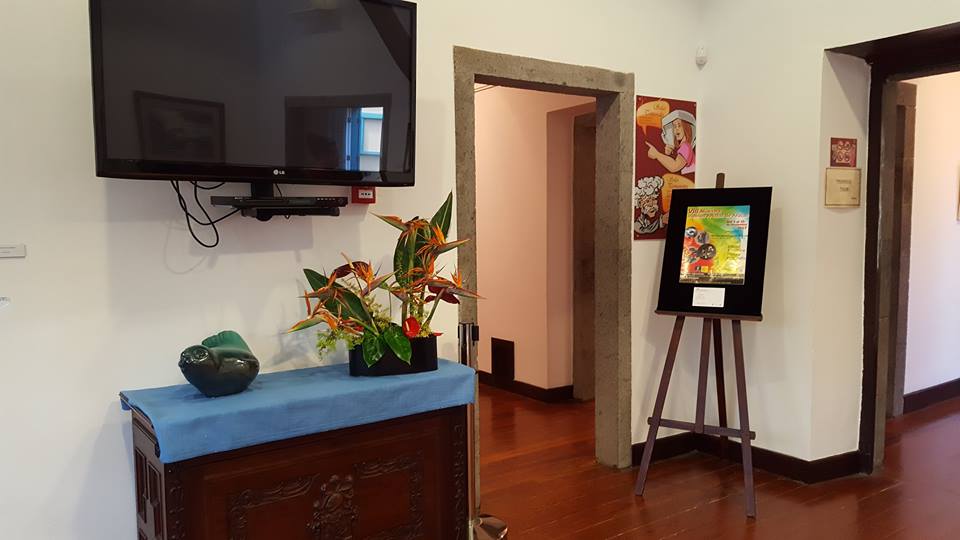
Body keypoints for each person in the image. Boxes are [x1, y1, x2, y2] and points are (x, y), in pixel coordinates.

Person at [645, 109, 696, 175]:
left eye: (679, 125)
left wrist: (657, 154)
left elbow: (674, 166)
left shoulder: (686, 147)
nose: (676, 129)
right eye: (674, 126)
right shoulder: (685, 146)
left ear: (687, 128)